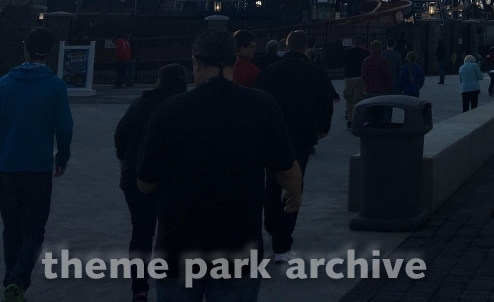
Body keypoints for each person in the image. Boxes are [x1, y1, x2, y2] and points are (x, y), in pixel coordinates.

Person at [137, 30, 301, 301]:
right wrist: (294, 195)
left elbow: (145, 182)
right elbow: (287, 170)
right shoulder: (261, 105)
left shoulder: (169, 109)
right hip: (238, 244)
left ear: (196, 62)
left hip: (179, 245)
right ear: (235, 62)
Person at [0, 28, 73, 302]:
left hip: (7, 167)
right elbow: (64, 127)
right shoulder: (55, 86)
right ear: (50, 52)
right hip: (38, 168)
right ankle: (18, 280)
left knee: (11, 228)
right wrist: (62, 157)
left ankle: (11, 279)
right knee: (34, 230)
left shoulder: (4, 84)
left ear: (25, 48)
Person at [254, 30, 335, 262]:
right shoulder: (315, 72)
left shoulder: (269, 71)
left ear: (287, 46)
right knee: (295, 184)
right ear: (305, 47)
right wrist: (323, 127)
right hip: (302, 134)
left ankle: (271, 224)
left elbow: (258, 100)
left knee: (272, 181)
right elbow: (326, 102)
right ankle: (282, 240)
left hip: (272, 134)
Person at [114, 64, 187, 302]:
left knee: (141, 232)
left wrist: (125, 162)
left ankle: (139, 288)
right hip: (172, 180)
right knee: (173, 231)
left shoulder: (139, 104)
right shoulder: (182, 107)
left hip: (136, 176)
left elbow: (120, 135)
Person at [342, 36, 370, 128]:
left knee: (349, 100)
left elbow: (342, 62)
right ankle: (355, 120)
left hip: (349, 78)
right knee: (357, 100)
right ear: (362, 44)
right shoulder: (365, 53)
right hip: (360, 78)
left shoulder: (347, 52)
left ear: (353, 43)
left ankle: (349, 120)